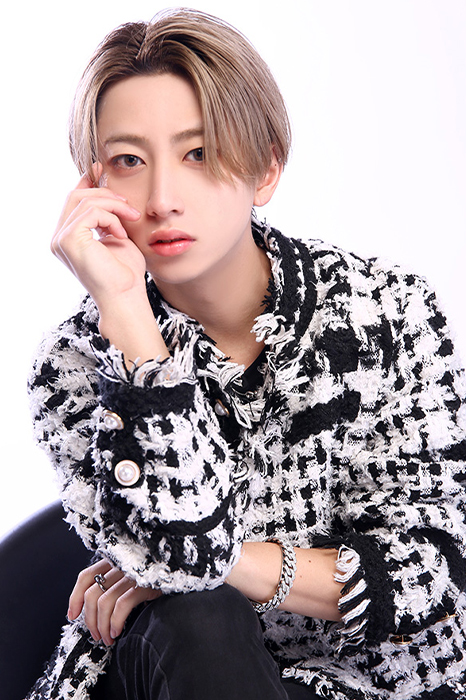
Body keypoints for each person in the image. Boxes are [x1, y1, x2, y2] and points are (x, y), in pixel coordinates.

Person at [26, 8, 466, 700]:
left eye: (198, 153)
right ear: (94, 185)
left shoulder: (386, 314)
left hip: (366, 685)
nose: (162, 200)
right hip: (158, 675)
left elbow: (435, 576)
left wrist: (226, 559)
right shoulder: (75, 363)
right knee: (198, 615)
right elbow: (179, 561)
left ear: (265, 169)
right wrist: (131, 321)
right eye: (129, 161)